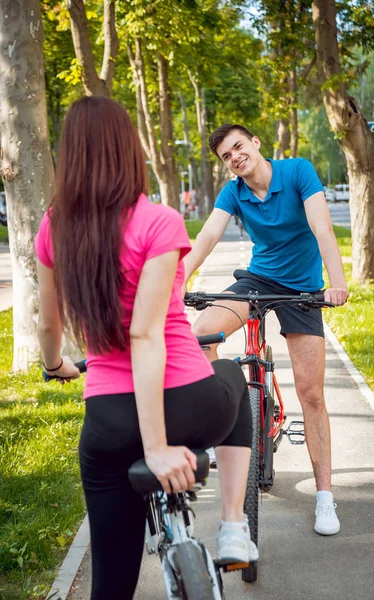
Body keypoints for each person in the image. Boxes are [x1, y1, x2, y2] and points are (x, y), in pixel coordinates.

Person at [34, 100, 257, 600]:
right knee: (237, 380)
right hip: (190, 405)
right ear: (128, 150)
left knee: (111, 581)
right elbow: (147, 334)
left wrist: (55, 365)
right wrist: (156, 447)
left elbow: (48, 323)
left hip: (110, 419)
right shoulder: (156, 220)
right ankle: (233, 524)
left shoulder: (53, 227)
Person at [183, 123, 349, 537]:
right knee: (199, 336)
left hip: (305, 289)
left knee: (312, 394)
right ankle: (231, 414)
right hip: (258, 279)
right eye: (226, 156)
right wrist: (177, 279)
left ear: (255, 143)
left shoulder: (297, 172)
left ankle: (325, 497)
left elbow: (322, 228)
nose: (235, 156)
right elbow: (206, 236)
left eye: (238, 146)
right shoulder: (233, 193)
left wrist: (337, 282)